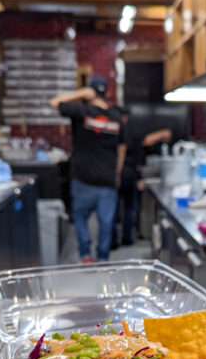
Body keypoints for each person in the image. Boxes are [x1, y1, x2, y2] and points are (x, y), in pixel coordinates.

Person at [50, 76, 126, 262]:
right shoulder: (116, 119)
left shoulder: (82, 112)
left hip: (82, 179)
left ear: (89, 91)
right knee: (106, 223)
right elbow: (121, 149)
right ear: (106, 93)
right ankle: (102, 259)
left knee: (80, 219)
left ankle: (85, 255)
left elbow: (54, 102)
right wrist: (117, 173)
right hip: (107, 180)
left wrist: (81, 93)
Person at [111, 107, 172, 247]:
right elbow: (147, 140)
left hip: (114, 175)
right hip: (127, 174)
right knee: (128, 208)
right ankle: (127, 239)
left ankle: (113, 241)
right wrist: (162, 133)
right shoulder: (128, 131)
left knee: (113, 210)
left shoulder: (111, 132)